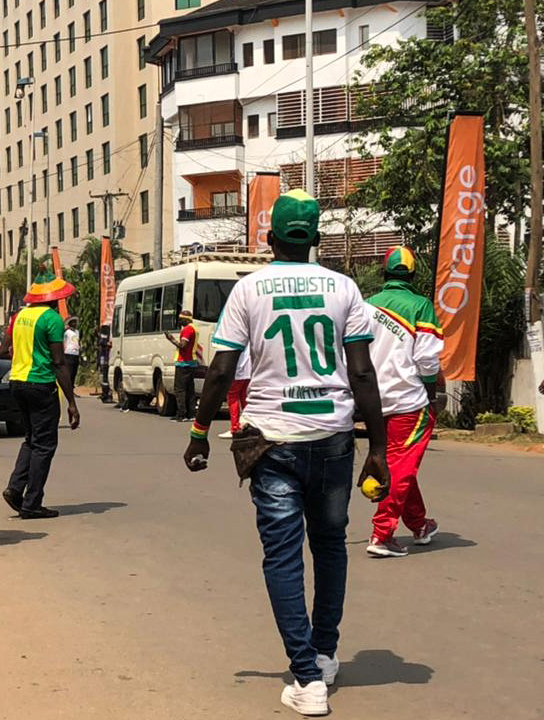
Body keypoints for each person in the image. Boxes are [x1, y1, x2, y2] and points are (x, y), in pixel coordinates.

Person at [183, 190, 391, 716]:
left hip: (272, 440)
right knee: (330, 545)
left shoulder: (248, 291)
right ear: (316, 239)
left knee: (282, 556)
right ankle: (323, 655)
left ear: (270, 238)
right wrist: (381, 449)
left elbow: (223, 370)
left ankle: (305, 676)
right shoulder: (345, 289)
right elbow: (363, 373)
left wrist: (199, 430)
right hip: (334, 438)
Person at [364, 246, 443, 558]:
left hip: (373, 401)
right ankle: (382, 534)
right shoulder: (421, 306)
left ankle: (420, 524)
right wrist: (430, 393)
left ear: (384, 273)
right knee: (400, 465)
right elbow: (427, 359)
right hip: (409, 401)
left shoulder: (367, 306)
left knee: (400, 465)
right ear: (413, 275)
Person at [2, 270, 81, 519]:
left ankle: (15, 489)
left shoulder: (18, 316)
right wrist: (72, 402)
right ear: (54, 297)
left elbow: (4, 351)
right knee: (45, 445)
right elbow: (59, 363)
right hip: (41, 384)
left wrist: (25, 354)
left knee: (31, 439)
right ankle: (32, 502)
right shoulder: (52, 319)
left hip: (17, 383)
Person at [164, 310, 198, 422]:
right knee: (190, 390)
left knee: (180, 390)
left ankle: (181, 414)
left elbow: (183, 345)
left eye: (180, 319)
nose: (179, 321)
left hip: (184, 363)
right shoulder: (194, 328)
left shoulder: (187, 329)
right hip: (191, 362)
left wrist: (171, 339)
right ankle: (191, 414)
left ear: (186, 319)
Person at [219, 348, 252, 439]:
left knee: (233, 398)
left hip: (237, 372)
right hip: (248, 370)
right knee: (244, 398)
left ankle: (235, 427)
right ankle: (249, 425)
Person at [97, 324, 113, 403]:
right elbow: (101, 342)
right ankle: (105, 394)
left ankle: (108, 394)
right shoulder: (105, 330)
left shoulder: (112, 330)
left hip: (110, 357)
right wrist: (107, 344)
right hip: (104, 357)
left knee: (106, 377)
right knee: (104, 377)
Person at [63, 316, 81, 386]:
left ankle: (72, 388)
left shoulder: (77, 332)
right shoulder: (67, 332)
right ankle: (68, 388)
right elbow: (64, 341)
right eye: (73, 322)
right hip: (68, 353)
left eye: (75, 322)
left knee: (74, 372)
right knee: (69, 372)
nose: (74, 323)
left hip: (76, 353)